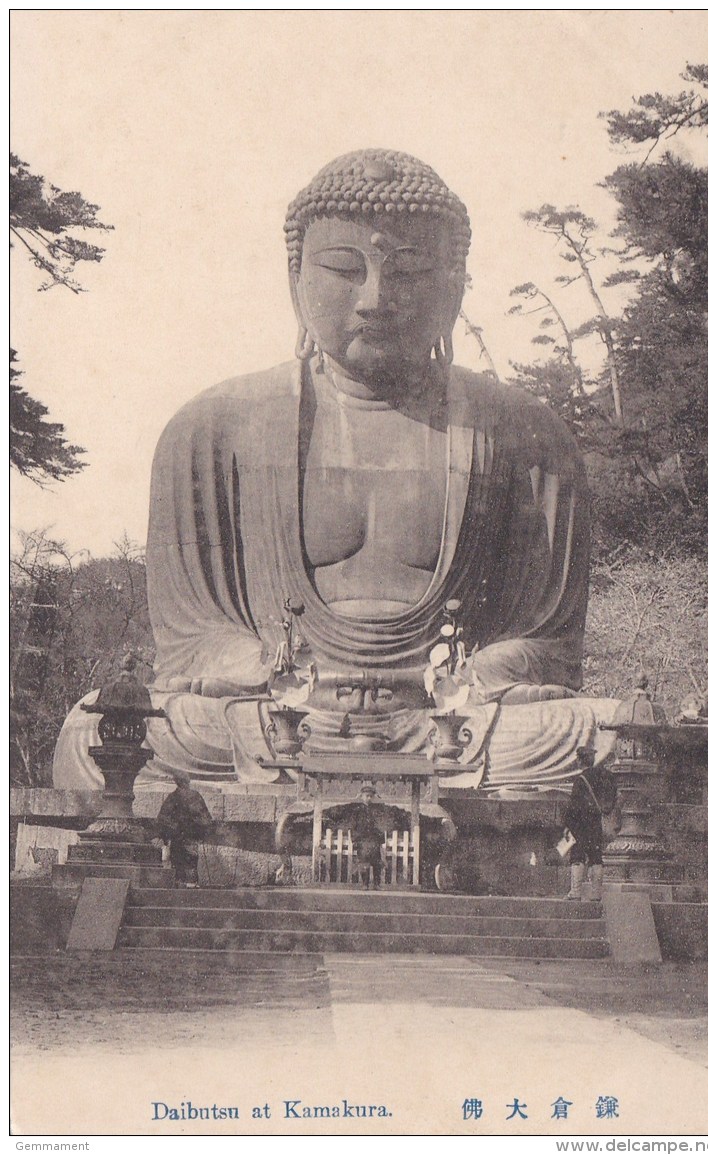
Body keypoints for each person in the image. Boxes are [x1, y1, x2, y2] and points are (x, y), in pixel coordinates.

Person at [53, 148, 616, 793]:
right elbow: (194, 635)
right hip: (276, 718)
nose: (376, 299)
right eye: (345, 269)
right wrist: (273, 672)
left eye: (409, 270)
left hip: (453, 726)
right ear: (295, 276)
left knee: (602, 733)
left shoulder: (526, 435)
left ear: (456, 282)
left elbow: (543, 638)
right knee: (98, 734)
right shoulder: (212, 428)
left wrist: (464, 684)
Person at [562, 745, 618, 901]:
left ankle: (575, 891)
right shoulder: (604, 776)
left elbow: (573, 807)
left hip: (581, 824)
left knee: (578, 854)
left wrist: (569, 825)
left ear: (580, 761)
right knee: (596, 856)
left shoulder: (581, 780)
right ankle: (596, 893)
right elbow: (612, 796)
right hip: (596, 821)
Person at [156, 770, 214, 887]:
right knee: (191, 863)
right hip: (191, 837)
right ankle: (191, 887)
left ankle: (180, 888)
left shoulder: (172, 797)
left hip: (176, 838)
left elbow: (162, 818)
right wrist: (203, 832)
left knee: (177, 865)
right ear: (188, 781)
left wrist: (167, 835)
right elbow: (205, 818)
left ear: (176, 782)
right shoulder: (195, 796)